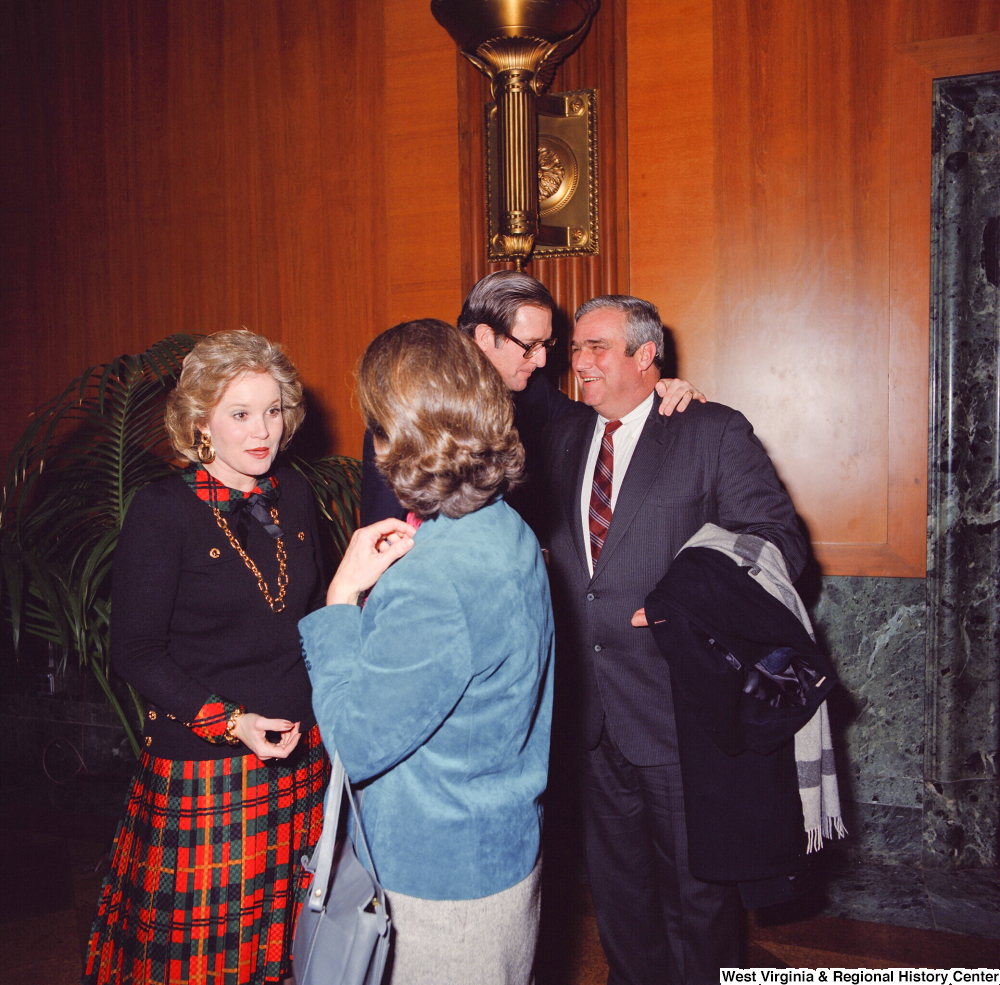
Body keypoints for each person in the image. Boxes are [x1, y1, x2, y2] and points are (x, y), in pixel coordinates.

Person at [541, 296, 807, 985]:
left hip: (678, 710)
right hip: (591, 717)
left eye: (598, 347)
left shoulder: (709, 431)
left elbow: (778, 542)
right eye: (575, 349)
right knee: (619, 895)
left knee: (699, 898)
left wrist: (682, 602)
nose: (579, 362)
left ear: (645, 357)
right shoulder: (563, 437)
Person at [300, 320, 554, 985]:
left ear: (399, 443)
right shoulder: (505, 527)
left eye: (378, 429)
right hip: (494, 851)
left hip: (443, 883)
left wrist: (338, 603)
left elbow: (354, 742)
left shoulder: (435, 576)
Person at [83, 330, 329, 985]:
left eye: (273, 410)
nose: (262, 430)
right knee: (204, 964)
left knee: (288, 948)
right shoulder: (165, 509)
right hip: (209, 765)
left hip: (300, 759)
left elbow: (310, 620)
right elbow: (134, 651)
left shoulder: (295, 494)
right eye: (240, 414)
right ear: (201, 424)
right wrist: (231, 720)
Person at [360, 270, 705, 530]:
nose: (541, 361)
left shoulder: (532, 391)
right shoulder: (413, 402)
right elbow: (381, 527)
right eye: (530, 346)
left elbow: (597, 420)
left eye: (547, 345)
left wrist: (658, 389)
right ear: (484, 337)